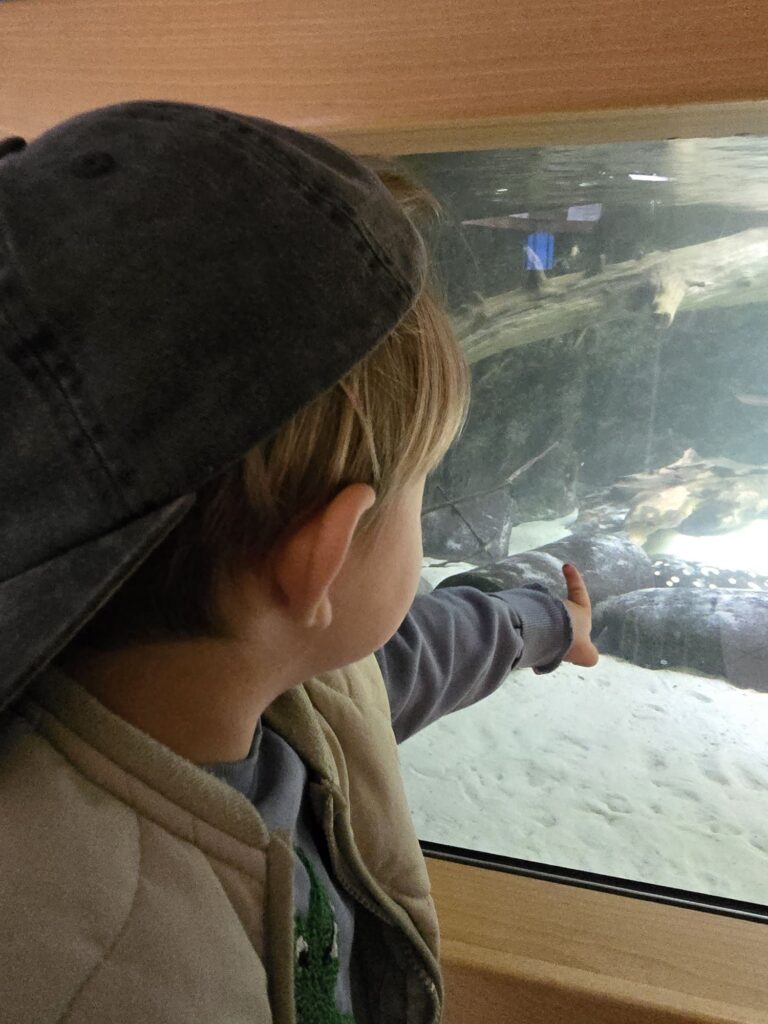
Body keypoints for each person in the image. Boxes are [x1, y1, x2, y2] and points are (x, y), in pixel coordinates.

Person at [0, 100, 598, 1024]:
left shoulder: (278, 691)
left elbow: (418, 656)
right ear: (322, 557)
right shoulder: (100, 979)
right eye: (420, 489)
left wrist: (547, 622)